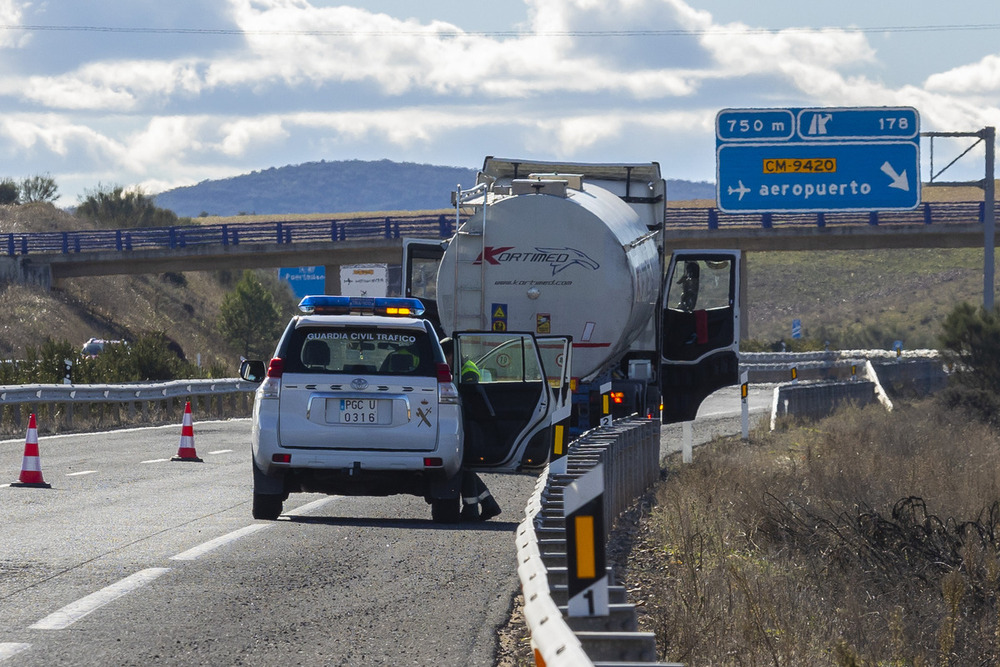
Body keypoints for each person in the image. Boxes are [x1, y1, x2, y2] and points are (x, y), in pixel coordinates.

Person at [439, 337, 502, 522]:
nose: (444, 361)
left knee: (464, 466)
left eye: (445, 357)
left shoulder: (467, 371)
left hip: (470, 424)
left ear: (452, 354)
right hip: (467, 423)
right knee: (464, 466)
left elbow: (466, 397)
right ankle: (485, 504)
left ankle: (474, 509)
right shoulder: (461, 369)